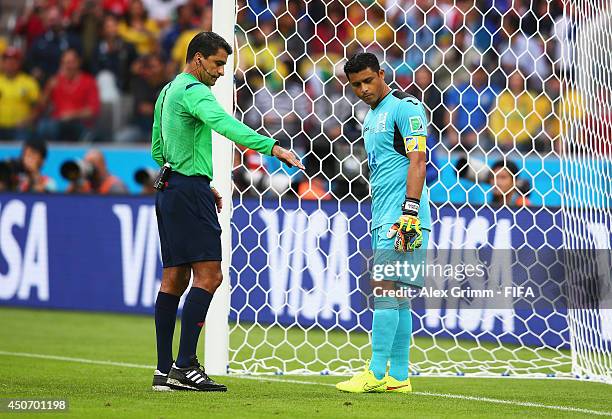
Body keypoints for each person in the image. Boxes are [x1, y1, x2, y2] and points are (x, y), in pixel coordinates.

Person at [150, 31, 303, 392]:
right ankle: (185, 365)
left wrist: (197, 178)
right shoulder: (195, 92)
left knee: (173, 279)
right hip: (187, 191)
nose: (222, 72)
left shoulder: (168, 91)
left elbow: (158, 149)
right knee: (209, 277)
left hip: (170, 188)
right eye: (218, 63)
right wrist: (273, 147)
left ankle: (163, 370)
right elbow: (225, 124)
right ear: (199, 58)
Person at [335, 53, 431, 394]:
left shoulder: (405, 108)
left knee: (384, 292)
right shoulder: (370, 117)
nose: (362, 89)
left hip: (403, 217)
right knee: (398, 297)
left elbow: (419, 161)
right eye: (355, 85)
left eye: (367, 80)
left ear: (381, 74)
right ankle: (399, 377)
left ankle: (375, 373)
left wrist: (409, 213)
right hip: (385, 216)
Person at [37, 49, 101, 142]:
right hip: (58, 124)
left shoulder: (89, 82)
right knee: (44, 126)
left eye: (72, 62)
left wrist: (72, 115)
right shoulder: (55, 81)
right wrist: (48, 89)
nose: (69, 66)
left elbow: (93, 111)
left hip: (79, 124)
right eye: (66, 63)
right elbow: (41, 107)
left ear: (79, 62)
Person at [0, 47, 40, 141]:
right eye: (7, 61)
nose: (10, 64)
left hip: (20, 128)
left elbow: (38, 107)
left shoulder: (29, 82)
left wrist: (27, 121)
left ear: (19, 63)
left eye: (14, 61)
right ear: (2, 63)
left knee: (25, 137)